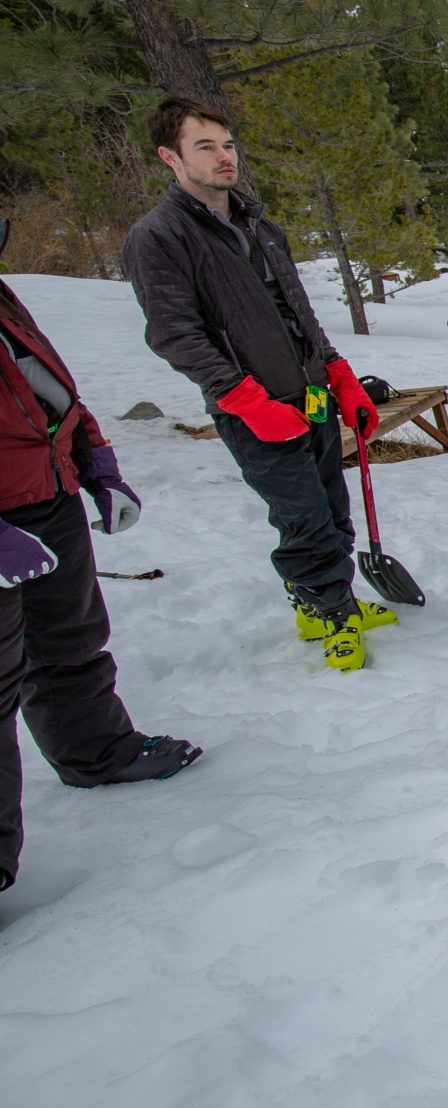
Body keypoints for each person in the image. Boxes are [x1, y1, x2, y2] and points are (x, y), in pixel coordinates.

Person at [122, 97, 392, 673]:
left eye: (228, 145)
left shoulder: (258, 223)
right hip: (254, 406)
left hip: (310, 394)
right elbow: (175, 334)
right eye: (206, 147)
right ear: (170, 157)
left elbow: (297, 309)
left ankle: (320, 602)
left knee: (332, 508)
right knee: (303, 519)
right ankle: (334, 616)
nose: (225, 158)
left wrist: (339, 374)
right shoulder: (159, 237)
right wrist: (243, 398)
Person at [3, 218, 201, 894]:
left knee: (68, 638)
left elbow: (50, 393)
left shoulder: (4, 300)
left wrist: (95, 460)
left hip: (43, 494)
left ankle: (97, 752)